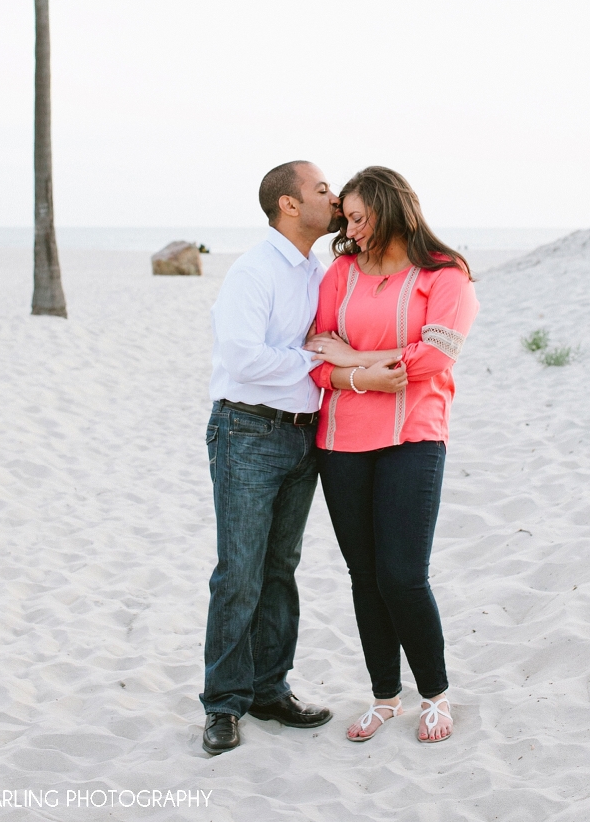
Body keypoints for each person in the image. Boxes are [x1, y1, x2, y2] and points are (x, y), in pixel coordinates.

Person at [304, 166, 478, 744]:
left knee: (402, 575)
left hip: (414, 436)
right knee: (365, 577)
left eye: (358, 217)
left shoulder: (446, 276)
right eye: (345, 219)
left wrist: (352, 354)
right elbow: (314, 358)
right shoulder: (340, 274)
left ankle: (436, 695)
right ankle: (385, 696)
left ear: (390, 209)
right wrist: (358, 373)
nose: (349, 230)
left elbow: (432, 359)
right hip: (340, 442)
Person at [200, 160, 341, 755]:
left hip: (303, 435)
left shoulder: (320, 270)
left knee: (281, 569)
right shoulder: (254, 271)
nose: (333, 198)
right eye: (322, 189)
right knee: (239, 572)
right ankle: (224, 705)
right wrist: (314, 360)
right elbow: (242, 358)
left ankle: (269, 689)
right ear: (289, 205)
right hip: (247, 432)